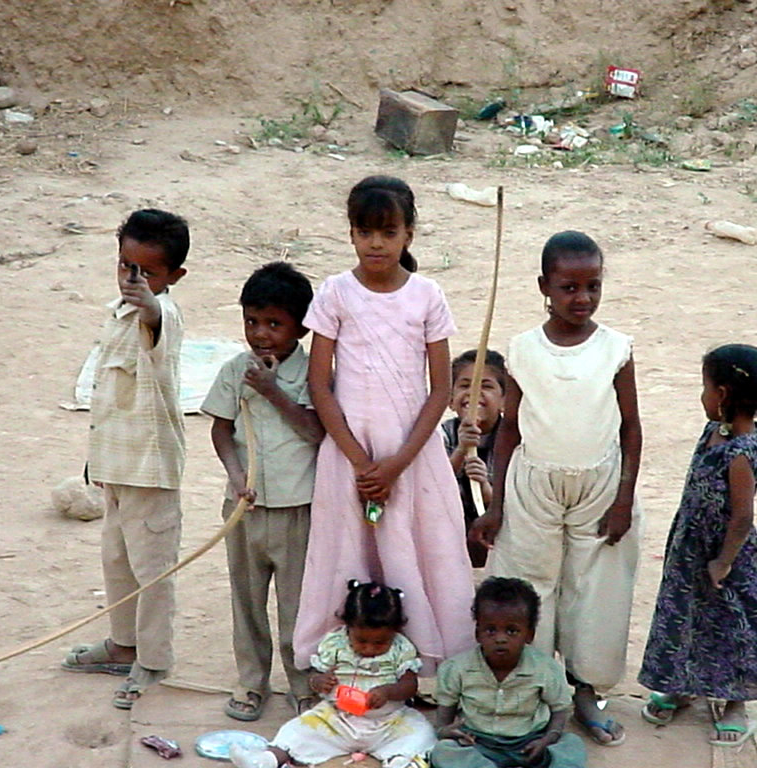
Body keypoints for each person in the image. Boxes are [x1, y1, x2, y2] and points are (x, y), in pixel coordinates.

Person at [293, 175, 474, 676]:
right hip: (349, 454)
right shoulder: (335, 293)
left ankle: (427, 666)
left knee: (421, 548)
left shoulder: (427, 296)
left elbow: (439, 389)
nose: (376, 243)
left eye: (388, 232)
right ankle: (342, 663)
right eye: (365, 232)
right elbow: (320, 384)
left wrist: (395, 464)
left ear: (408, 234)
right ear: (351, 233)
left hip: (411, 454)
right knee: (348, 549)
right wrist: (360, 461)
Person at [470, 231, 642, 746]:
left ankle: (585, 692)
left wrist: (623, 500)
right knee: (532, 583)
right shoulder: (523, 349)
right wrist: (496, 505)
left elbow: (631, 428)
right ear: (544, 286)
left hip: (600, 484)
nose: (582, 298)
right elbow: (510, 430)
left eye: (593, 286)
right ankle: (536, 691)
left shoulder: (616, 349)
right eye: (569, 287)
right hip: (532, 485)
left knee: (595, 591)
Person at [61, 209, 189, 709]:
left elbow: (157, 322)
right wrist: (94, 462)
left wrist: (150, 302)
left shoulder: (163, 316)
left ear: (174, 276)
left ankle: (153, 662)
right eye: (125, 266)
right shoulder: (115, 313)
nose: (132, 279)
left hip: (150, 472)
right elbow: (108, 396)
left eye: (147, 272)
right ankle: (123, 644)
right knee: (117, 561)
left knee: (152, 569)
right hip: (115, 466)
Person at [201, 262, 325, 721]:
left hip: (297, 508)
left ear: (301, 327)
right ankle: (252, 682)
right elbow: (221, 430)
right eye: (252, 321)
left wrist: (273, 391)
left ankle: (302, 685)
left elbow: (315, 431)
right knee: (247, 602)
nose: (260, 334)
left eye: (275, 323)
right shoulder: (236, 369)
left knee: (297, 605)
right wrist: (236, 477)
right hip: (245, 509)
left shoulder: (314, 371)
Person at [639, 343, 757, 748]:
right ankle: (683, 686)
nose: (702, 396)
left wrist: (723, 561)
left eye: (705, 387)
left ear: (722, 394)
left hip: (726, 557)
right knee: (686, 619)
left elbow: (742, 516)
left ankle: (735, 704)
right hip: (691, 551)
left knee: (733, 626)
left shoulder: (740, 451)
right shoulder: (714, 432)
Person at [231, 581, 436, 768]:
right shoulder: (335, 644)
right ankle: (267, 760)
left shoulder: (401, 648)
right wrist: (319, 681)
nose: (369, 648)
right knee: (296, 730)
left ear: (395, 630)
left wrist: (388, 692)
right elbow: (314, 676)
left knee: (420, 733)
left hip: (388, 722)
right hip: (337, 719)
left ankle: (401, 762)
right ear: (348, 627)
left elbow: (410, 685)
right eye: (361, 641)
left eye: (380, 643)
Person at [431, 577, 586, 768]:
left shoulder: (545, 668)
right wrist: (447, 732)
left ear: (529, 635)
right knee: (444, 751)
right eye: (490, 630)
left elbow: (560, 710)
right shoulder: (457, 668)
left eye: (512, 631)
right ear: (477, 633)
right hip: (478, 743)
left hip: (530, 742)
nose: (500, 639)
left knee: (571, 745)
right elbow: (443, 724)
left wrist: (547, 739)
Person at [441, 349, 506, 568]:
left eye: (486, 386)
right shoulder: (442, 435)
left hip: (499, 529)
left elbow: (519, 500)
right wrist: (460, 451)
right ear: (450, 400)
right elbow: (432, 489)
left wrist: (487, 492)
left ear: (505, 400)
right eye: (464, 385)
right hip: (451, 525)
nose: (474, 393)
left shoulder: (513, 439)